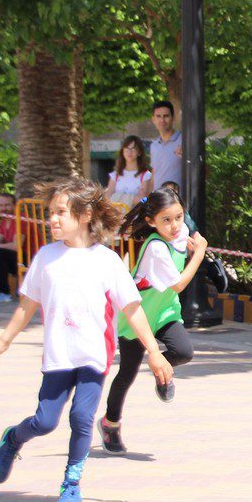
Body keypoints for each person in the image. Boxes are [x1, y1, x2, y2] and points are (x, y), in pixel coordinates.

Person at [0, 177, 174, 502]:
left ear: (85, 214)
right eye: (50, 213)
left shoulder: (107, 261)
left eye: (60, 212)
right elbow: (27, 306)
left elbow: (132, 309)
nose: (52, 220)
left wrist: (155, 353)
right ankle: (13, 438)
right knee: (45, 421)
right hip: (59, 355)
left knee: (82, 418)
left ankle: (71, 482)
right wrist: (3, 341)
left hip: (93, 356)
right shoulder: (45, 258)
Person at [99, 187, 207, 454]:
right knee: (127, 373)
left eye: (178, 217)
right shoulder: (156, 247)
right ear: (151, 222)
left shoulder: (180, 233)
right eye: (166, 220)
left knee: (183, 352)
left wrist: (191, 246)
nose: (174, 226)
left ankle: (162, 369)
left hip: (166, 312)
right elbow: (179, 285)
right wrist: (200, 254)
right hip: (139, 316)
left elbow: (183, 243)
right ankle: (110, 424)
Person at [104, 135, 154, 209]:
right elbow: (107, 198)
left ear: (139, 152)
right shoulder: (115, 175)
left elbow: (145, 199)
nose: (129, 152)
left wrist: (118, 197)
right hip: (117, 217)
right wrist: (132, 199)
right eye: (127, 148)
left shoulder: (146, 175)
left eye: (133, 149)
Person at [149, 100, 183, 190]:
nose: (162, 120)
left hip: (179, 200)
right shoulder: (154, 145)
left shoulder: (184, 141)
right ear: (153, 119)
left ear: (173, 118)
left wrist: (188, 155)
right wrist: (147, 199)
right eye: (158, 116)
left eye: (166, 116)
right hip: (158, 200)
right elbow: (154, 174)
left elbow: (202, 170)